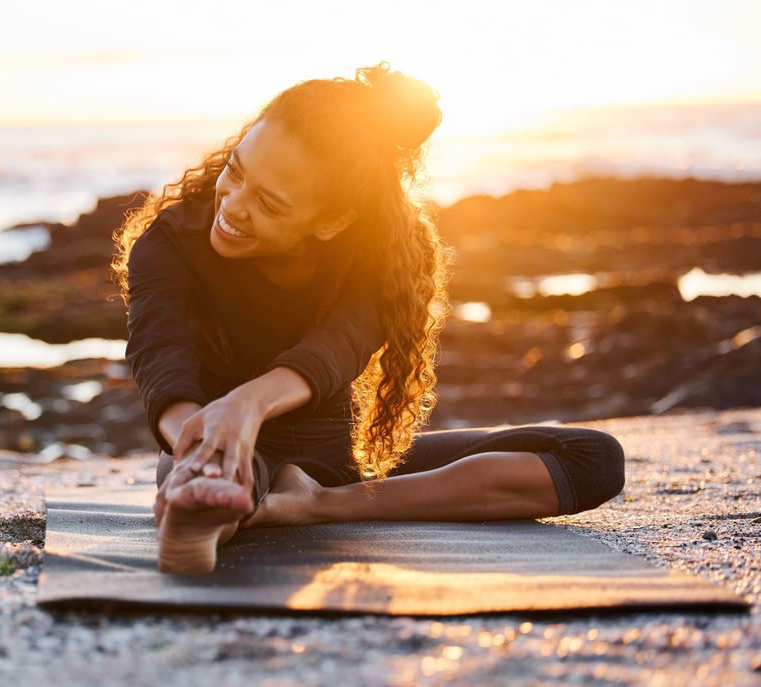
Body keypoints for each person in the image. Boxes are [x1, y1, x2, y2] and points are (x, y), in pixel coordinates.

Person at [110, 62, 625, 574]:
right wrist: (200, 443)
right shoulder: (170, 243)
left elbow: (337, 347)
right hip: (217, 447)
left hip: (341, 466)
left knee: (593, 458)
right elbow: (160, 355)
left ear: (332, 220)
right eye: (237, 171)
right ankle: (206, 499)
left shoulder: (382, 258)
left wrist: (248, 403)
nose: (234, 205)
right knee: (212, 479)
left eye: (268, 202)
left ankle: (312, 505)